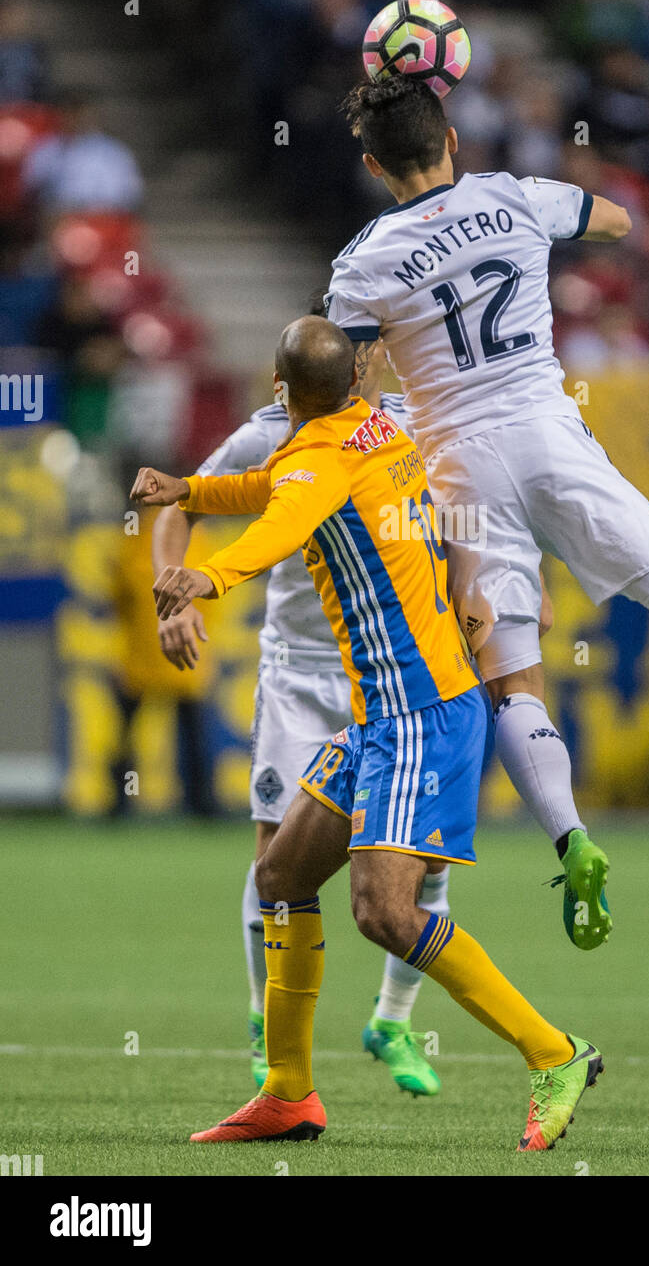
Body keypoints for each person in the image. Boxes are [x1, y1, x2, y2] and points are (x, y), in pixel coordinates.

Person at [323, 76, 649, 948]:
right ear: (453, 139)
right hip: (549, 427)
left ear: (371, 165)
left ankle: (572, 839)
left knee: (514, 679)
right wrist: (544, 221)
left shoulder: (363, 262)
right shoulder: (513, 197)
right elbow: (620, 221)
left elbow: (345, 386)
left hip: (457, 468)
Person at [131, 315, 603, 1152]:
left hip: (420, 711)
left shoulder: (315, 454)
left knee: (384, 913)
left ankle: (554, 1052)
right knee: (279, 876)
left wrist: (207, 574)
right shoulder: (370, 424)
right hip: (384, 713)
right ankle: (287, 1094)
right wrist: (188, 491)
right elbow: (275, 489)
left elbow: (282, 521)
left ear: (281, 391)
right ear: (350, 382)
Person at [151, 343, 446, 1096]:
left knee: (429, 855)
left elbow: (475, 513)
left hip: (395, 670)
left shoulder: (412, 426)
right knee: (276, 857)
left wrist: (511, 592)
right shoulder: (275, 432)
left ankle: (392, 1019)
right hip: (303, 675)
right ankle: (267, 1028)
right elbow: (181, 500)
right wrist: (175, 593)